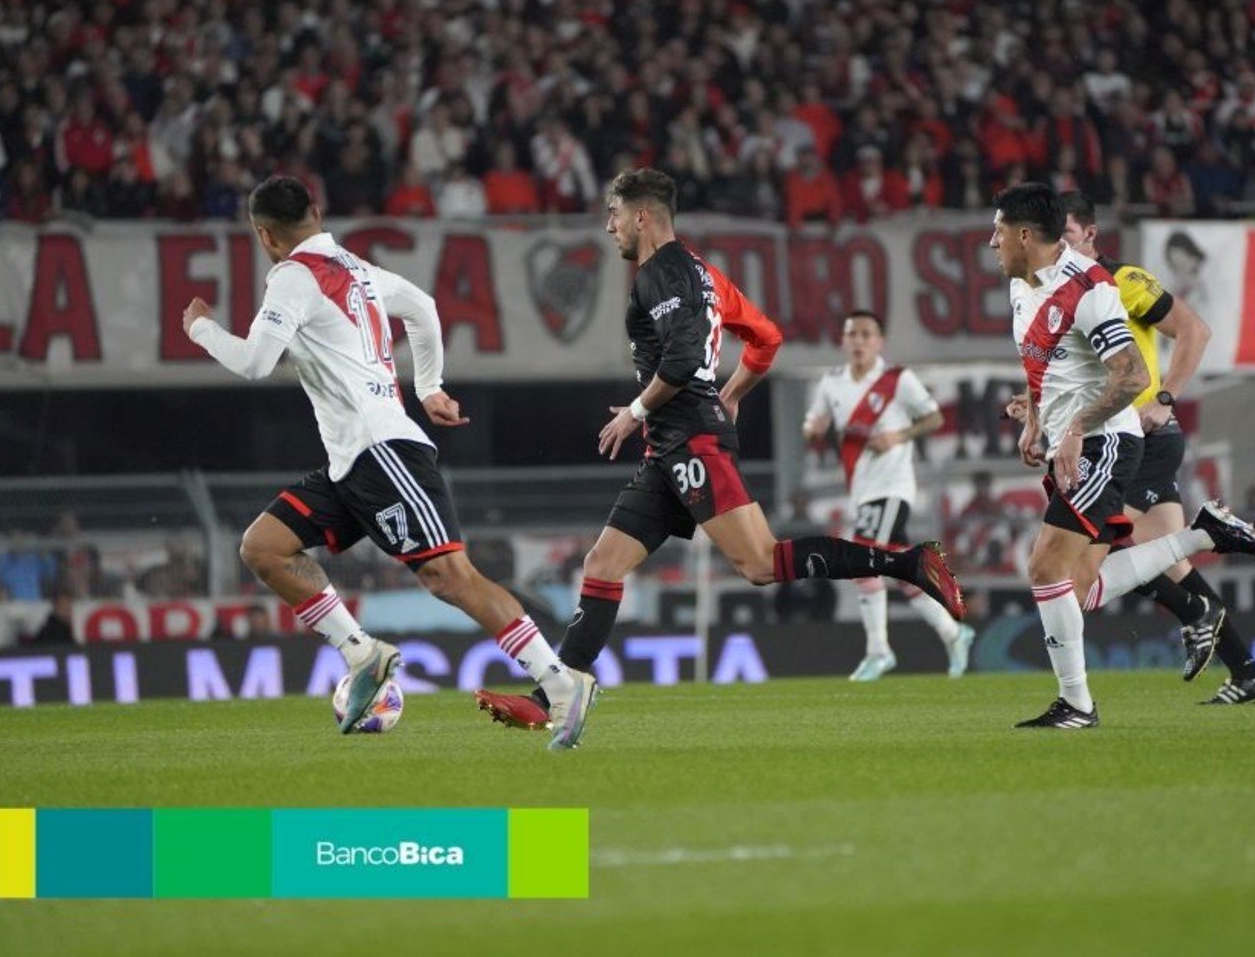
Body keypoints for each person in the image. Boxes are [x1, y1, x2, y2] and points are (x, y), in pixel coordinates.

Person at [475, 168, 962, 729]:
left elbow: (681, 362)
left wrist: (635, 413)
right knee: (603, 562)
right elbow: (766, 337)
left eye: (613, 214)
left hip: (690, 439)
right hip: (674, 445)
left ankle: (909, 562)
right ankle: (556, 693)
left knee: (761, 563)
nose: (607, 227)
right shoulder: (704, 275)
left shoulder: (660, 273)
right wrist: (730, 393)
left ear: (641, 217)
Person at [183, 175, 595, 749]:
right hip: (350, 462)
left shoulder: (293, 278)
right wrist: (428, 387)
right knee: (264, 547)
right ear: (317, 211)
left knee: (450, 578)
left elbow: (254, 363)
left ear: (264, 235)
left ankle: (560, 683)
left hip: (383, 451)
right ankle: (362, 653)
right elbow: (423, 308)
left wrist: (200, 328)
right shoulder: (357, 269)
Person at [995, 182, 1255, 729]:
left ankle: (1077, 706)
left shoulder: (1097, 287)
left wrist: (1077, 425)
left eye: (999, 230)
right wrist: (1034, 420)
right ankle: (1205, 537)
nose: (992, 242)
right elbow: (1042, 365)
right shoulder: (1021, 289)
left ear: (1025, 235)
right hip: (1071, 444)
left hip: (1108, 442)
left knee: (1045, 566)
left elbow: (1135, 375)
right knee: (1076, 587)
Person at [803, 310, 976, 681]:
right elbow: (811, 427)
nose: (859, 340)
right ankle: (953, 632)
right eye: (853, 334)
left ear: (879, 342)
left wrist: (898, 437)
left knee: (859, 558)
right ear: (844, 341)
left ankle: (879, 651)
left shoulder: (898, 379)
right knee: (900, 570)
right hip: (861, 488)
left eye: (866, 334)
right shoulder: (831, 382)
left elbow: (934, 418)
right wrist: (812, 429)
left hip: (893, 485)